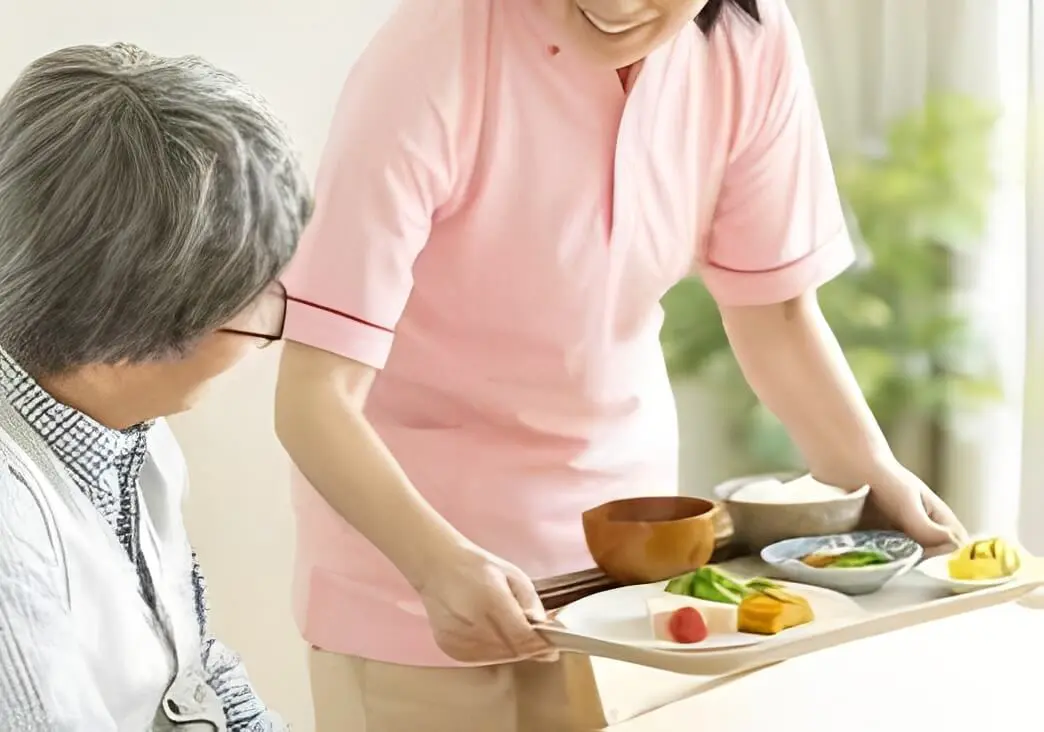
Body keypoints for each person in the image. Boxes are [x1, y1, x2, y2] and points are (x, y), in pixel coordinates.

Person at [274, 0, 968, 728]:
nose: (617, 3)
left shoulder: (747, 41)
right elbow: (315, 400)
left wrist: (871, 475)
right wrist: (435, 565)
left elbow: (775, 314)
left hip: (629, 591)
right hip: (414, 587)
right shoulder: (434, 53)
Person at [0, 43, 310, 731]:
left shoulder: (128, 432)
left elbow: (191, 666)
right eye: (254, 298)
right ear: (122, 321)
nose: (272, 324)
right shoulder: (10, 536)